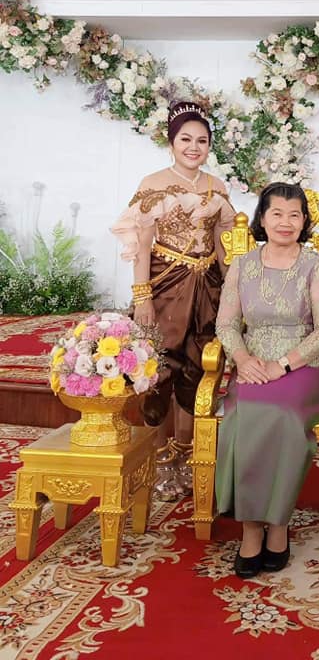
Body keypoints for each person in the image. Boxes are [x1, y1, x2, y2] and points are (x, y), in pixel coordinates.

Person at [214, 182, 319, 579]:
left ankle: (278, 523)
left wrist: (283, 365)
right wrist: (242, 358)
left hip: (305, 366)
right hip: (252, 363)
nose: (286, 222)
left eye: (294, 215)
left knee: (282, 415)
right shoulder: (243, 265)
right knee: (243, 413)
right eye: (277, 214)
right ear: (263, 219)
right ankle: (251, 530)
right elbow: (226, 323)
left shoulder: (314, 265)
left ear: (304, 221)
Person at [111, 100, 235, 499]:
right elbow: (142, 244)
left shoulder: (217, 186)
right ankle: (159, 458)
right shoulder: (153, 183)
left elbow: (222, 244)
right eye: (186, 139)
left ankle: (187, 454)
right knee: (160, 369)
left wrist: (231, 291)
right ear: (171, 143)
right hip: (165, 287)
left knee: (199, 368)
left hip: (207, 287)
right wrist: (142, 297)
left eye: (201, 140)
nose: (194, 147)